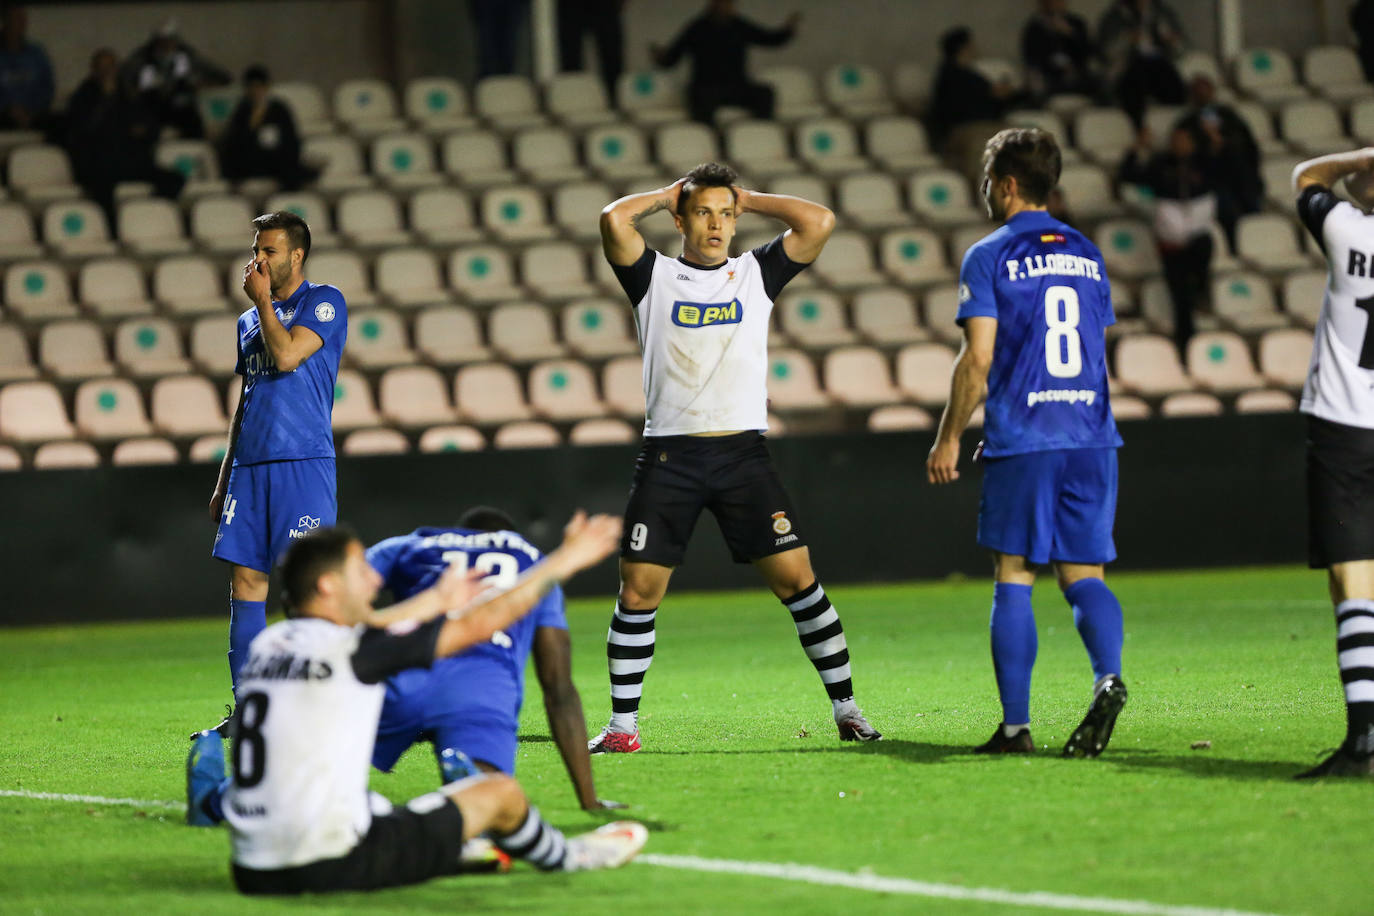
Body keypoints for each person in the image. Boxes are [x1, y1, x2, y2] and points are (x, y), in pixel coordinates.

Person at [186, 514, 647, 894]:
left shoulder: (271, 645)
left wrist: (431, 601)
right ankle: (573, 857)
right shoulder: (353, 652)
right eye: (357, 571)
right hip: (329, 863)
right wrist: (564, 560)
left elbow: (373, 626)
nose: (372, 577)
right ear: (328, 586)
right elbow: (481, 621)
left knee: (372, 801)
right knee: (499, 795)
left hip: (250, 865)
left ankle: (213, 795)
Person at [589, 161, 881, 753]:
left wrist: (749, 198)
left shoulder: (755, 274)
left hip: (743, 456)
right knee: (638, 593)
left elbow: (820, 221)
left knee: (798, 583)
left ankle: (848, 710)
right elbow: (613, 218)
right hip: (670, 455)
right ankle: (623, 729)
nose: (717, 224)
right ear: (680, 218)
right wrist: (668, 191)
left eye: (726, 214)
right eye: (703, 212)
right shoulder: (652, 277)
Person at [926, 127, 1128, 757]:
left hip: (1027, 436)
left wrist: (949, 436)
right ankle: (1108, 676)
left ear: (1007, 186)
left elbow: (977, 359)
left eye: (988, 182)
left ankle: (1015, 728)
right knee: (1084, 575)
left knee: (1014, 575)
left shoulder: (990, 255)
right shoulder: (1089, 253)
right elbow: (1094, 349)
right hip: (1093, 437)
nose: (984, 192)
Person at [366, 507, 620, 810]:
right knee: (487, 803)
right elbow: (558, 689)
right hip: (480, 685)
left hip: (403, 670)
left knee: (322, 760)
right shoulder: (532, 564)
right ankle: (462, 811)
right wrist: (589, 800)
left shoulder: (412, 543)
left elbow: (334, 585)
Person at [206, 211, 347, 728]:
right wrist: (225, 479)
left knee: (303, 586)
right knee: (245, 584)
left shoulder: (324, 302)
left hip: (302, 464)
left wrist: (263, 302)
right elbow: (245, 401)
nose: (258, 260)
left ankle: (315, 703)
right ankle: (250, 709)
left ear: (297, 255)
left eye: (269, 251)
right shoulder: (247, 322)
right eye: (256, 250)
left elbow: (286, 357)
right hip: (250, 467)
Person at [1290, 149, 1374, 778]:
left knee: (1352, 584)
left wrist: (1360, 156)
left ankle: (1364, 740)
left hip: (1346, 428)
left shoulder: (1348, 230)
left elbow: (1308, 178)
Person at [1118, 124, 1219, 355]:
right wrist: (1136, 148)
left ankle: (1201, 288)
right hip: (1170, 241)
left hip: (1197, 233)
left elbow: (1229, 169)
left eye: (1184, 140)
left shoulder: (1204, 163)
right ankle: (1187, 347)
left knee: (1205, 244)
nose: (1179, 145)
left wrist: (1216, 145)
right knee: (1180, 297)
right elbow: (1129, 175)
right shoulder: (1160, 164)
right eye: (1175, 140)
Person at [64, 48, 186, 223]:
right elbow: (83, 130)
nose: (107, 72)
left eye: (111, 67)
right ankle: (113, 230)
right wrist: (105, 99)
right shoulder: (84, 95)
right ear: (94, 69)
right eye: (102, 67)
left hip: (131, 161)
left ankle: (148, 214)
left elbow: (151, 125)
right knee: (101, 187)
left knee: (173, 180)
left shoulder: (129, 93)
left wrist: (143, 130)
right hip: (100, 163)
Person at [651, 0, 799, 125]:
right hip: (706, 86)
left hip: (736, 86)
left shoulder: (739, 26)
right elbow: (674, 56)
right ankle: (711, 141)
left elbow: (767, 38)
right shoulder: (697, 28)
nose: (727, 7)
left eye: (730, 4)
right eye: (723, 3)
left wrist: (787, 31)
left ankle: (759, 133)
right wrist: (661, 58)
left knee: (765, 93)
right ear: (713, 5)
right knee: (701, 100)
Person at [1175, 75, 1262, 251]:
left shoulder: (1229, 116)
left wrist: (1223, 143)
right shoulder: (1188, 122)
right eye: (1198, 92)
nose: (1203, 95)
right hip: (1210, 181)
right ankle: (1232, 249)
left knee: (1253, 208)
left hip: (1238, 176)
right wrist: (1210, 146)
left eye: (1206, 90)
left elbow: (1248, 145)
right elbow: (1183, 153)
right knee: (1226, 211)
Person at [928, 27, 1017, 184]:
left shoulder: (972, 75)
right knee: (980, 145)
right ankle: (976, 185)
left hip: (985, 124)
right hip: (964, 129)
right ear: (964, 48)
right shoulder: (949, 75)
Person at [121, 18, 231, 138]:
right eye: (162, 40)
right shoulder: (141, 57)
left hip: (182, 107)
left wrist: (205, 84)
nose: (166, 44)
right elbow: (124, 79)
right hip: (151, 108)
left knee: (193, 125)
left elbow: (222, 75)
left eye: (170, 39)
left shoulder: (188, 55)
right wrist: (134, 93)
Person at [220, 65, 318, 190]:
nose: (256, 91)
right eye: (252, 87)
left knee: (293, 171)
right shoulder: (242, 111)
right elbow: (234, 143)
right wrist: (253, 125)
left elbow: (291, 140)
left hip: (276, 160)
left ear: (266, 87)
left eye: (259, 86)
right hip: (251, 162)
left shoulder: (279, 109)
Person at [1096, 0, 1186, 127]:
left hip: (1160, 65)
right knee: (1137, 78)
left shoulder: (1162, 13)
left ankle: (1177, 126)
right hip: (1128, 68)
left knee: (1175, 85)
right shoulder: (1113, 17)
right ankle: (1140, 128)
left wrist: (1171, 40)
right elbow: (1105, 53)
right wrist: (1127, 40)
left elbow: (1182, 49)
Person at [1020, 0, 1096, 104]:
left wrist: (1070, 34)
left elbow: (1087, 52)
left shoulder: (1076, 23)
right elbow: (1032, 59)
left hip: (1078, 76)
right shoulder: (1034, 28)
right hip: (1050, 78)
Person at [557, 0, 625, 106]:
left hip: (604, 5)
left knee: (612, 58)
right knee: (571, 60)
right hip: (570, 5)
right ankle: (573, 102)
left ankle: (616, 102)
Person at [0, 4, 52, 131]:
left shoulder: (36, 53)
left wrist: (29, 110)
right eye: (16, 19)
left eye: (23, 20)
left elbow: (47, 87)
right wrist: (10, 109)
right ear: (5, 22)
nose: (20, 24)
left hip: (33, 114)